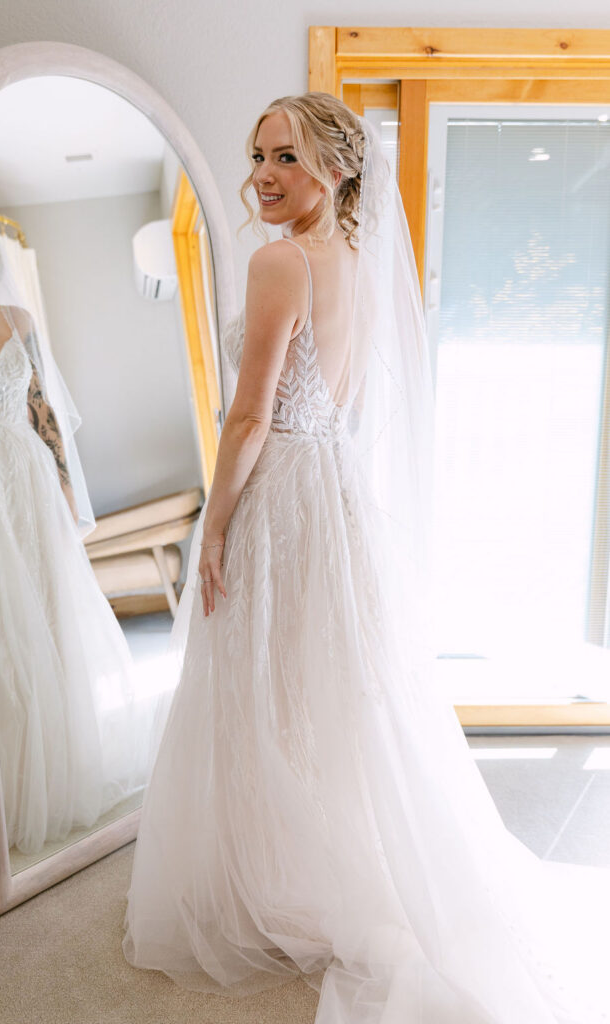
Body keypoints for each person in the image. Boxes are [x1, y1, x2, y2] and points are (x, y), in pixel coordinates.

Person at [123, 94, 610, 1023]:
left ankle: (276, 884)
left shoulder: (278, 263)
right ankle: (310, 869)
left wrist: (214, 526)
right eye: (257, 153)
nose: (263, 174)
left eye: (287, 159)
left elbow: (251, 416)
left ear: (336, 170)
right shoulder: (348, 258)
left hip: (281, 496)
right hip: (335, 493)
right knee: (325, 692)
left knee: (263, 688)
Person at [0, 208, 153, 857]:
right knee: (4, 626)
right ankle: (10, 782)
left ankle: (66, 762)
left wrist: (63, 487)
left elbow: (44, 414)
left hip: (30, 481)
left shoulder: (17, 321)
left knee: (52, 614)